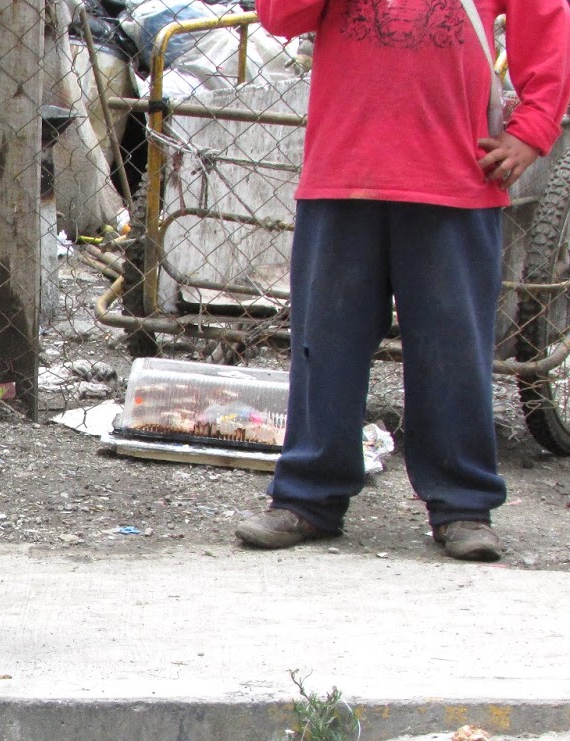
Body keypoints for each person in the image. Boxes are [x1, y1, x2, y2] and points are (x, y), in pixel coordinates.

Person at [237, 0, 570, 560]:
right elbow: (278, 17)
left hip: (457, 177)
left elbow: (548, 23)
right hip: (343, 174)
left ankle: (463, 505)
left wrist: (532, 129)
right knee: (326, 346)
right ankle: (307, 498)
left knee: (454, 352)